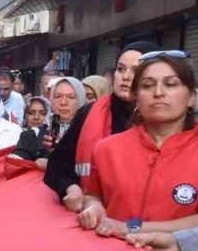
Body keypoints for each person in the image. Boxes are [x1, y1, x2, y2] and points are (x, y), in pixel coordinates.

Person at [78, 52, 198, 237]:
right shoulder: (106, 149)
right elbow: (93, 196)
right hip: (109, 250)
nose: (158, 93)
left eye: (170, 84)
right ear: (136, 97)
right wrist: (93, 207)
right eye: (147, 85)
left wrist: (129, 228)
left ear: (191, 97)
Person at [44, 41, 160, 212]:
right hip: (89, 216)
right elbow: (58, 165)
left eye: (136, 70)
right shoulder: (88, 113)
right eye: (120, 69)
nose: (126, 77)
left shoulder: (163, 120)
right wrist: (70, 187)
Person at [11, 96, 50, 167]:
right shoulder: (16, 133)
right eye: (31, 113)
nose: (36, 117)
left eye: (42, 113)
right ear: (25, 115)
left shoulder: (51, 138)